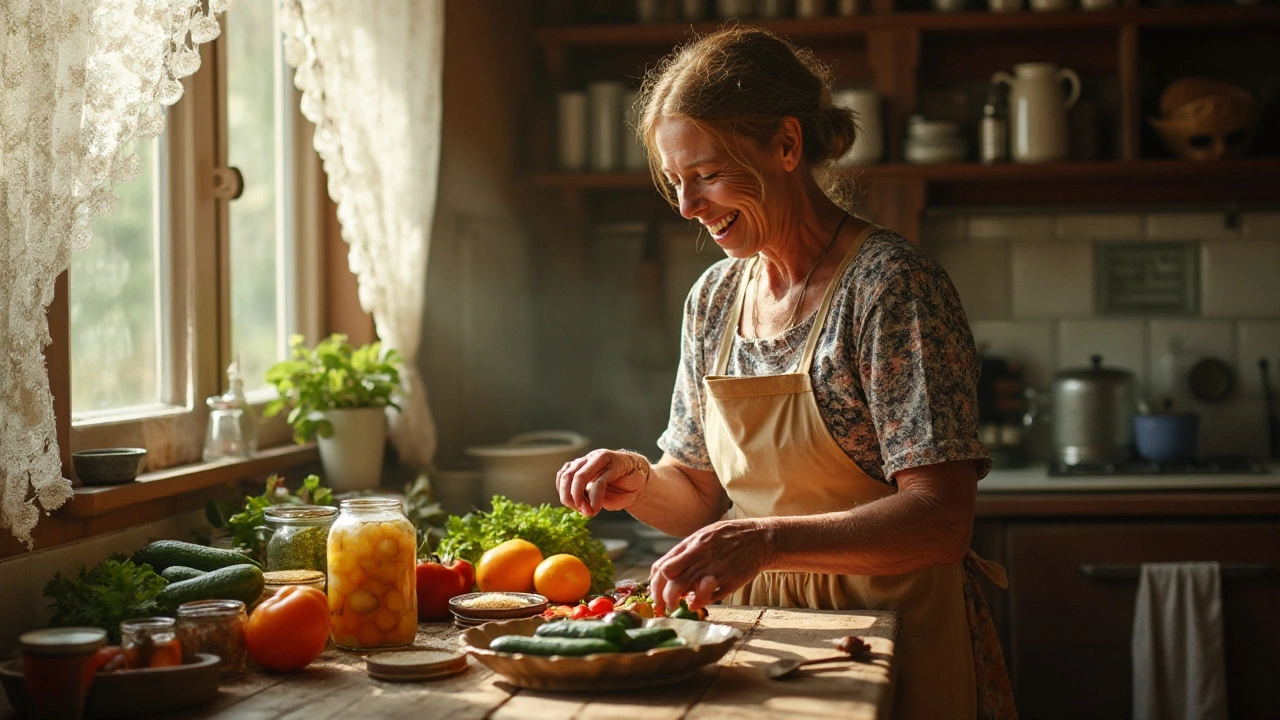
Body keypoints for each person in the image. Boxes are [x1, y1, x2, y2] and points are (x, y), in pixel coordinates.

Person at [555, 26, 1015, 720]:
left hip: (887, 637)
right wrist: (638, 481)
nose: (687, 206)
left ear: (787, 146)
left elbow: (941, 519)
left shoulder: (890, 285)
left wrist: (765, 540)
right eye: (676, 181)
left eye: (706, 175)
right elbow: (696, 495)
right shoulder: (713, 299)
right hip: (757, 641)